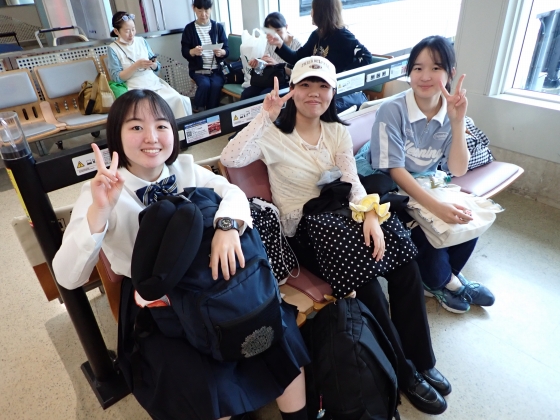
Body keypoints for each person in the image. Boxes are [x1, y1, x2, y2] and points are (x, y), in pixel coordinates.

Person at [52, 90, 309, 420]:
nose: (151, 137)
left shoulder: (186, 169)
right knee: (203, 382)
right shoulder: (99, 192)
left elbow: (232, 192)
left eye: (161, 126)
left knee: (277, 333)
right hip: (157, 303)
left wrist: (227, 226)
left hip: (211, 279)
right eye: (136, 127)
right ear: (116, 135)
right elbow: (68, 277)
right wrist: (100, 212)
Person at [221, 56, 450, 415]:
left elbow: (351, 180)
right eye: (305, 85)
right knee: (367, 283)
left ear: (333, 92)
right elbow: (231, 158)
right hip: (305, 233)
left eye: (322, 86)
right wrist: (264, 115)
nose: (314, 93)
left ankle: (422, 360)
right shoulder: (272, 134)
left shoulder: (337, 132)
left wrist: (370, 214)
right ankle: (404, 372)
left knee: (405, 266)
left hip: (342, 219)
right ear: (292, 90)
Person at [368, 35, 496, 314]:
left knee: (466, 214)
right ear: (409, 72)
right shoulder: (392, 110)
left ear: (450, 73)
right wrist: (436, 207)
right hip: (383, 182)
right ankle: (444, 282)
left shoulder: (450, 112)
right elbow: (394, 169)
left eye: (436, 68)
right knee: (428, 226)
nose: (425, 76)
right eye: (418, 68)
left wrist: (457, 122)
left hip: (424, 179)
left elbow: (458, 169)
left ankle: (447, 278)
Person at [266, 0, 373, 112]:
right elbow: (298, 58)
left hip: (335, 94)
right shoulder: (316, 35)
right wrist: (280, 44)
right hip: (318, 90)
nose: (310, 13)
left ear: (320, 12)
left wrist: (341, 76)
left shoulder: (343, 36)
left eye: (313, 9)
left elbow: (366, 56)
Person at [107, 11, 192, 118]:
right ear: (116, 31)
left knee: (178, 99)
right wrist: (136, 66)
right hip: (135, 89)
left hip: (153, 82)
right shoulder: (113, 48)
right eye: (127, 31)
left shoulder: (141, 41)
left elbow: (157, 67)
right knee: (149, 108)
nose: (131, 34)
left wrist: (153, 65)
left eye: (133, 29)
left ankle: (178, 128)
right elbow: (117, 78)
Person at [240, 12, 302, 100]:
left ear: (286, 27)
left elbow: (299, 73)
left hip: (286, 82)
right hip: (269, 78)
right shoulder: (271, 42)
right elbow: (266, 64)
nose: (275, 35)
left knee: (265, 95)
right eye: (271, 32)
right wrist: (258, 63)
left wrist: (278, 66)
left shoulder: (297, 44)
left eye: (278, 30)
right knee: (246, 94)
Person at [181, 0, 228, 112]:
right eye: (199, 10)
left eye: (206, 10)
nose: (203, 14)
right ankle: (198, 109)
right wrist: (193, 51)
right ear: (194, 8)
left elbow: (227, 49)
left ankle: (212, 112)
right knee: (204, 84)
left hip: (216, 70)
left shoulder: (218, 27)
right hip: (198, 70)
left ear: (211, 9)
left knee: (216, 85)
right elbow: (184, 51)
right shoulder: (189, 29)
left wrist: (222, 52)